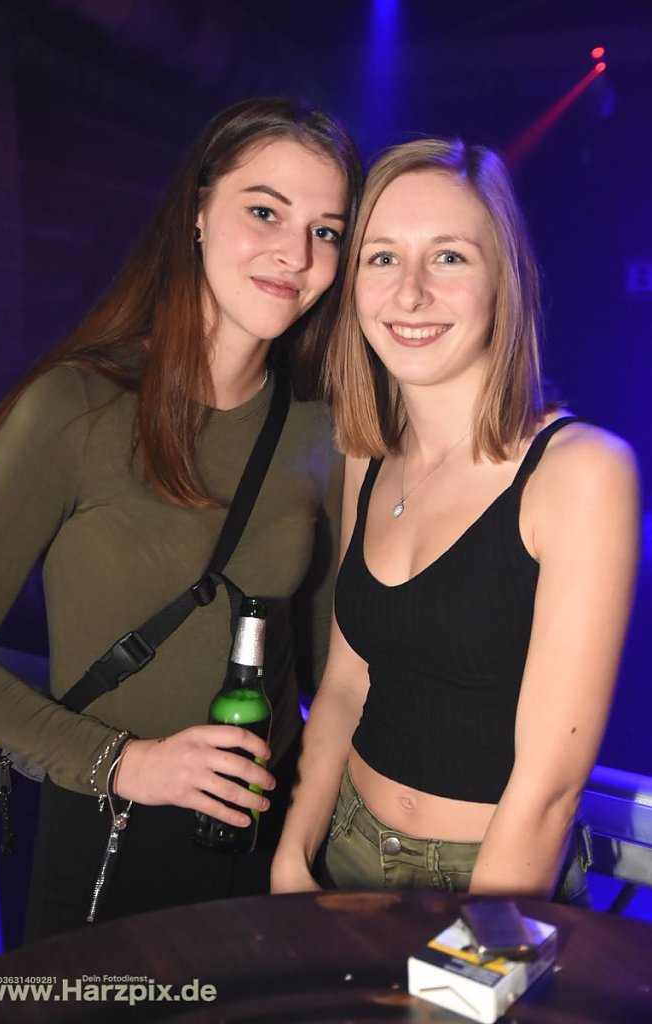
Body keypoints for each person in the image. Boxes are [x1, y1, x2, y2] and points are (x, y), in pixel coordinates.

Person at [0, 96, 362, 939]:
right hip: (114, 833)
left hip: (268, 841)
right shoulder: (77, 407)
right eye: (265, 212)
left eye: (326, 231)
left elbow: (334, 662)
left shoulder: (319, 429)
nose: (296, 254)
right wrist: (126, 763)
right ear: (197, 213)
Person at [271, 138, 640, 903]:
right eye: (381, 258)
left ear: (503, 279)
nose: (409, 294)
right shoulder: (367, 451)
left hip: (491, 883)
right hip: (344, 844)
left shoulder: (581, 472)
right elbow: (344, 684)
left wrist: (472, 957)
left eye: (448, 257)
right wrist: (293, 854)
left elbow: (548, 788)